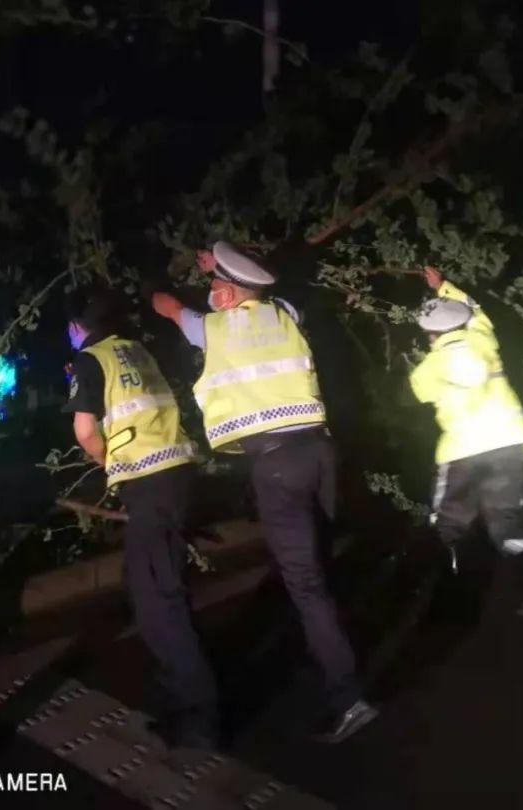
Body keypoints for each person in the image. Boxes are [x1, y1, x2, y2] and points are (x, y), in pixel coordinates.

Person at [152, 242, 377, 744]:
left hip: (276, 466)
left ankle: (348, 697)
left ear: (230, 294)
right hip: (320, 453)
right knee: (319, 561)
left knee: (305, 582)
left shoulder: (211, 328)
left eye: (215, 287)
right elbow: (271, 291)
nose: (210, 293)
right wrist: (220, 272)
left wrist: (171, 285)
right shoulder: (284, 314)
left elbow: (164, 306)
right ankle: (336, 649)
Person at [63, 288, 219, 749]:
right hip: (177, 474)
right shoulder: (136, 349)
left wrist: (106, 460)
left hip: (150, 482)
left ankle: (200, 714)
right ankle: (180, 688)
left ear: (78, 328)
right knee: (149, 579)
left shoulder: (91, 359)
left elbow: (86, 431)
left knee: (158, 601)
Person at [410, 266, 523, 618]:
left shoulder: (425, 371)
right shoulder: (483, 340)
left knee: (448, 525)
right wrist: (444, 286)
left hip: (461, 454)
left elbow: (422, 394)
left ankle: (449, 599)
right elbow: (476, 310)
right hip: (508, 443)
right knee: (509, 523)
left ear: (430, 335)